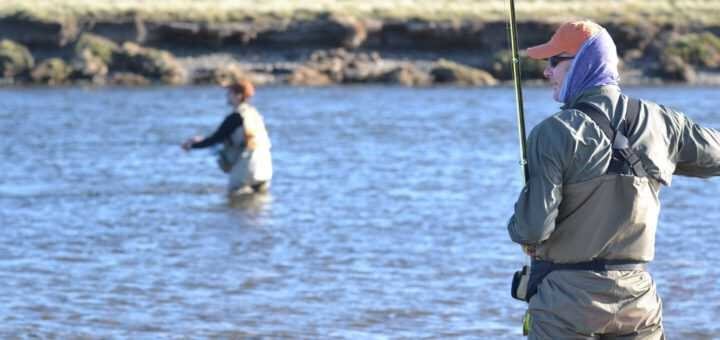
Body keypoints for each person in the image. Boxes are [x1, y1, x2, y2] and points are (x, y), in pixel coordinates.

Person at [507, 20, 720, 339]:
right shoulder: (664, 123)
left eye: (554, 62)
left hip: (566, 302)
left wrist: (521, 230)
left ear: (582, 63)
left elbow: (534, 228)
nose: (547, 73)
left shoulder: (554, 132)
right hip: (637, 302)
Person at [182, 79, 272, 196]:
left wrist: (192, 145)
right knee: (258, 206)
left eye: (230, 93)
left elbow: (216, 138)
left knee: (236, 205)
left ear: (239, 96)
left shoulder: (236, 116)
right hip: (264, 168)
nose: (226, 96)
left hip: (246, 168)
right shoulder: (254, 113)